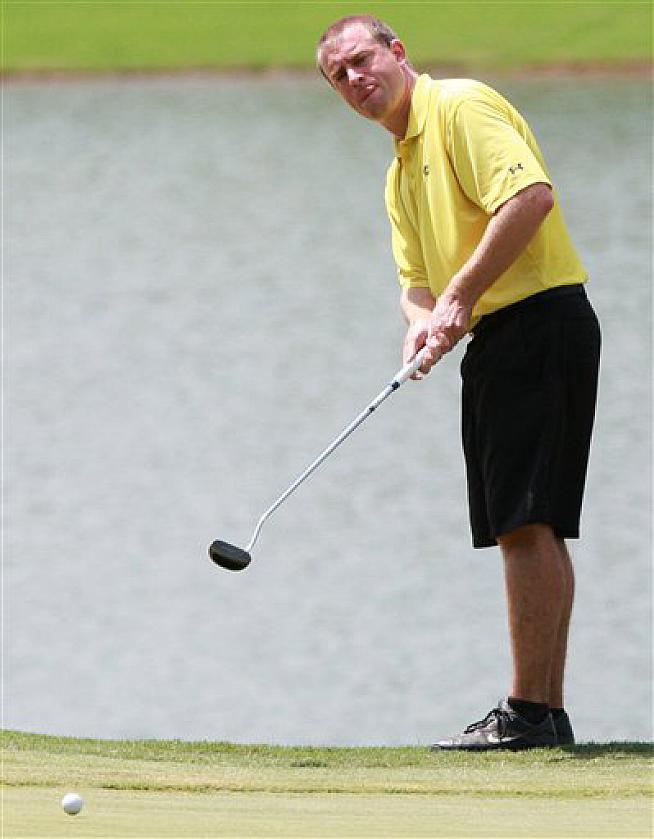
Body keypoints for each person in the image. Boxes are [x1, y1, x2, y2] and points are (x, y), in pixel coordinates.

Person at [316, 15, 601, 750]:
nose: (355, 79)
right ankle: (543, 714)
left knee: (525, 522)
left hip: (539, 321)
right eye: (339, 76)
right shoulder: (399, 171)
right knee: (527, 522)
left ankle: (528, 712)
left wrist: (460, 297)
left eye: (362, 59)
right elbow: (416, 281)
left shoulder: (459, 107)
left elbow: (530, 197)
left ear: (397, 51)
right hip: (502, 340)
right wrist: (422, 323)